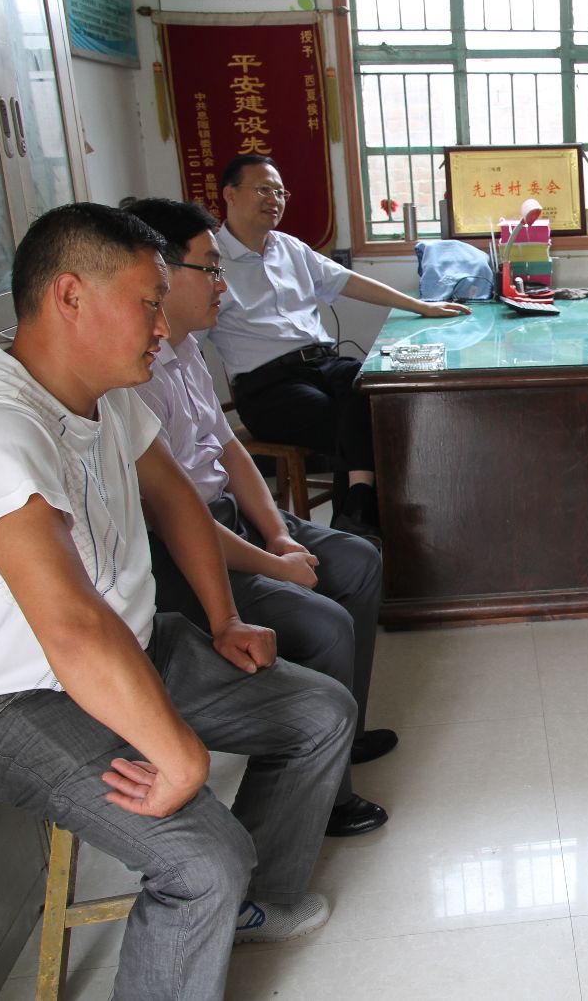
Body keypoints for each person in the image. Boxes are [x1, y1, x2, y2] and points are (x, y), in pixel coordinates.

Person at [0, 203, 357, 1001]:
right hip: (10, 701)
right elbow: (71, 627)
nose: (162, 326)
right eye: (148, 303)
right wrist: (182, 756)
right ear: (70, 296)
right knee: (204, 860)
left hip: (126, 646)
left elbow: (176, 499)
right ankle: (214, 902)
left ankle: (250, 908)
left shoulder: (101, 395)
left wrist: (225, 617)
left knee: (319, 714)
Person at [123, 197, 395, 838]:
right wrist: (274, 565)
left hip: (233, 522)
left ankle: (344, 734)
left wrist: (277, 532)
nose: (222, 284)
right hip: (187, 548)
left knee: (357, 559)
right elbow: (175, 518)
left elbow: (229, 449)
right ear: (161, 274)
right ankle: (328, 797)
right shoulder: (135, 375)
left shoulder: (186, 351)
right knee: (324, 624)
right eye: (210, 269)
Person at [209, 154, 472, 544]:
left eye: (280, 192)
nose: (274, 200)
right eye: (264, 189)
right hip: (267, 387)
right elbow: (187, 333)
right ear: (230, 194)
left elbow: (348, 281)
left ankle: (355, 518)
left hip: (322, 365)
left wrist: (420, 306)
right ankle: (366, 517)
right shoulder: (211, 260)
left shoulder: (290, 248)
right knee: (362, 423)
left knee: (376, 388)